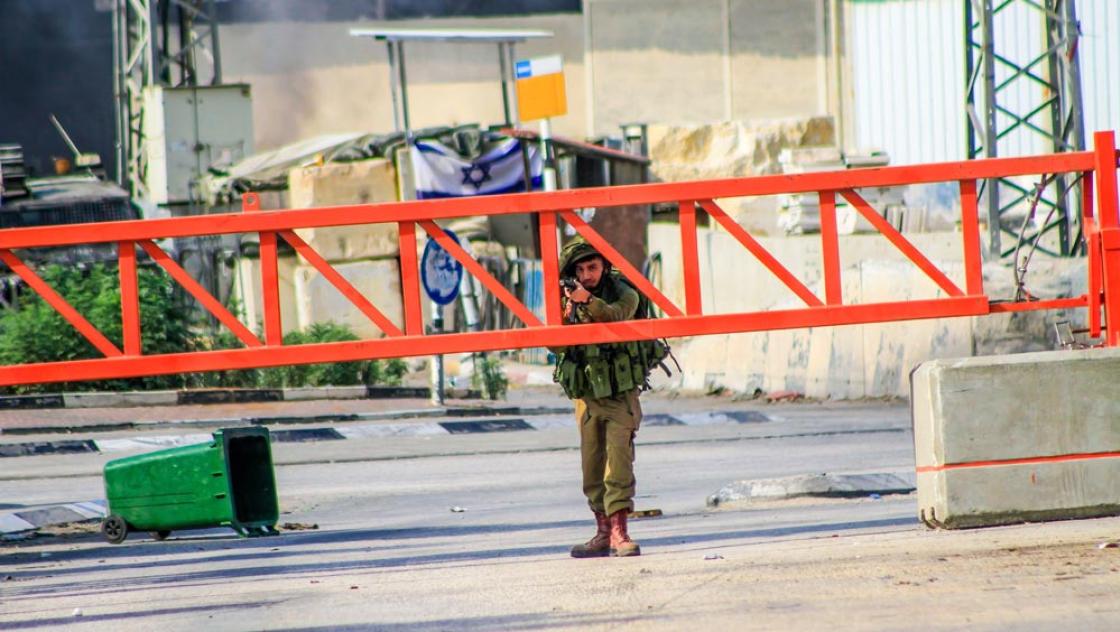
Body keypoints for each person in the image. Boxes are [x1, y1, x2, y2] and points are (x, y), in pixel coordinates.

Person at [553, 237, 645, 558]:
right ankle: (603, 532)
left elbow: (614, 316)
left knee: (618, 462)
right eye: (580, 269)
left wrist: (586, 300)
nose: (587, 274)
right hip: (587, 395)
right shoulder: (568, 301)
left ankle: (621, 533)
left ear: (604, 266)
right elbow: (554, 345)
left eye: (592, 267)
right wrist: (565, 310)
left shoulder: (625, 293)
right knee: (591, 467)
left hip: (620, 395)